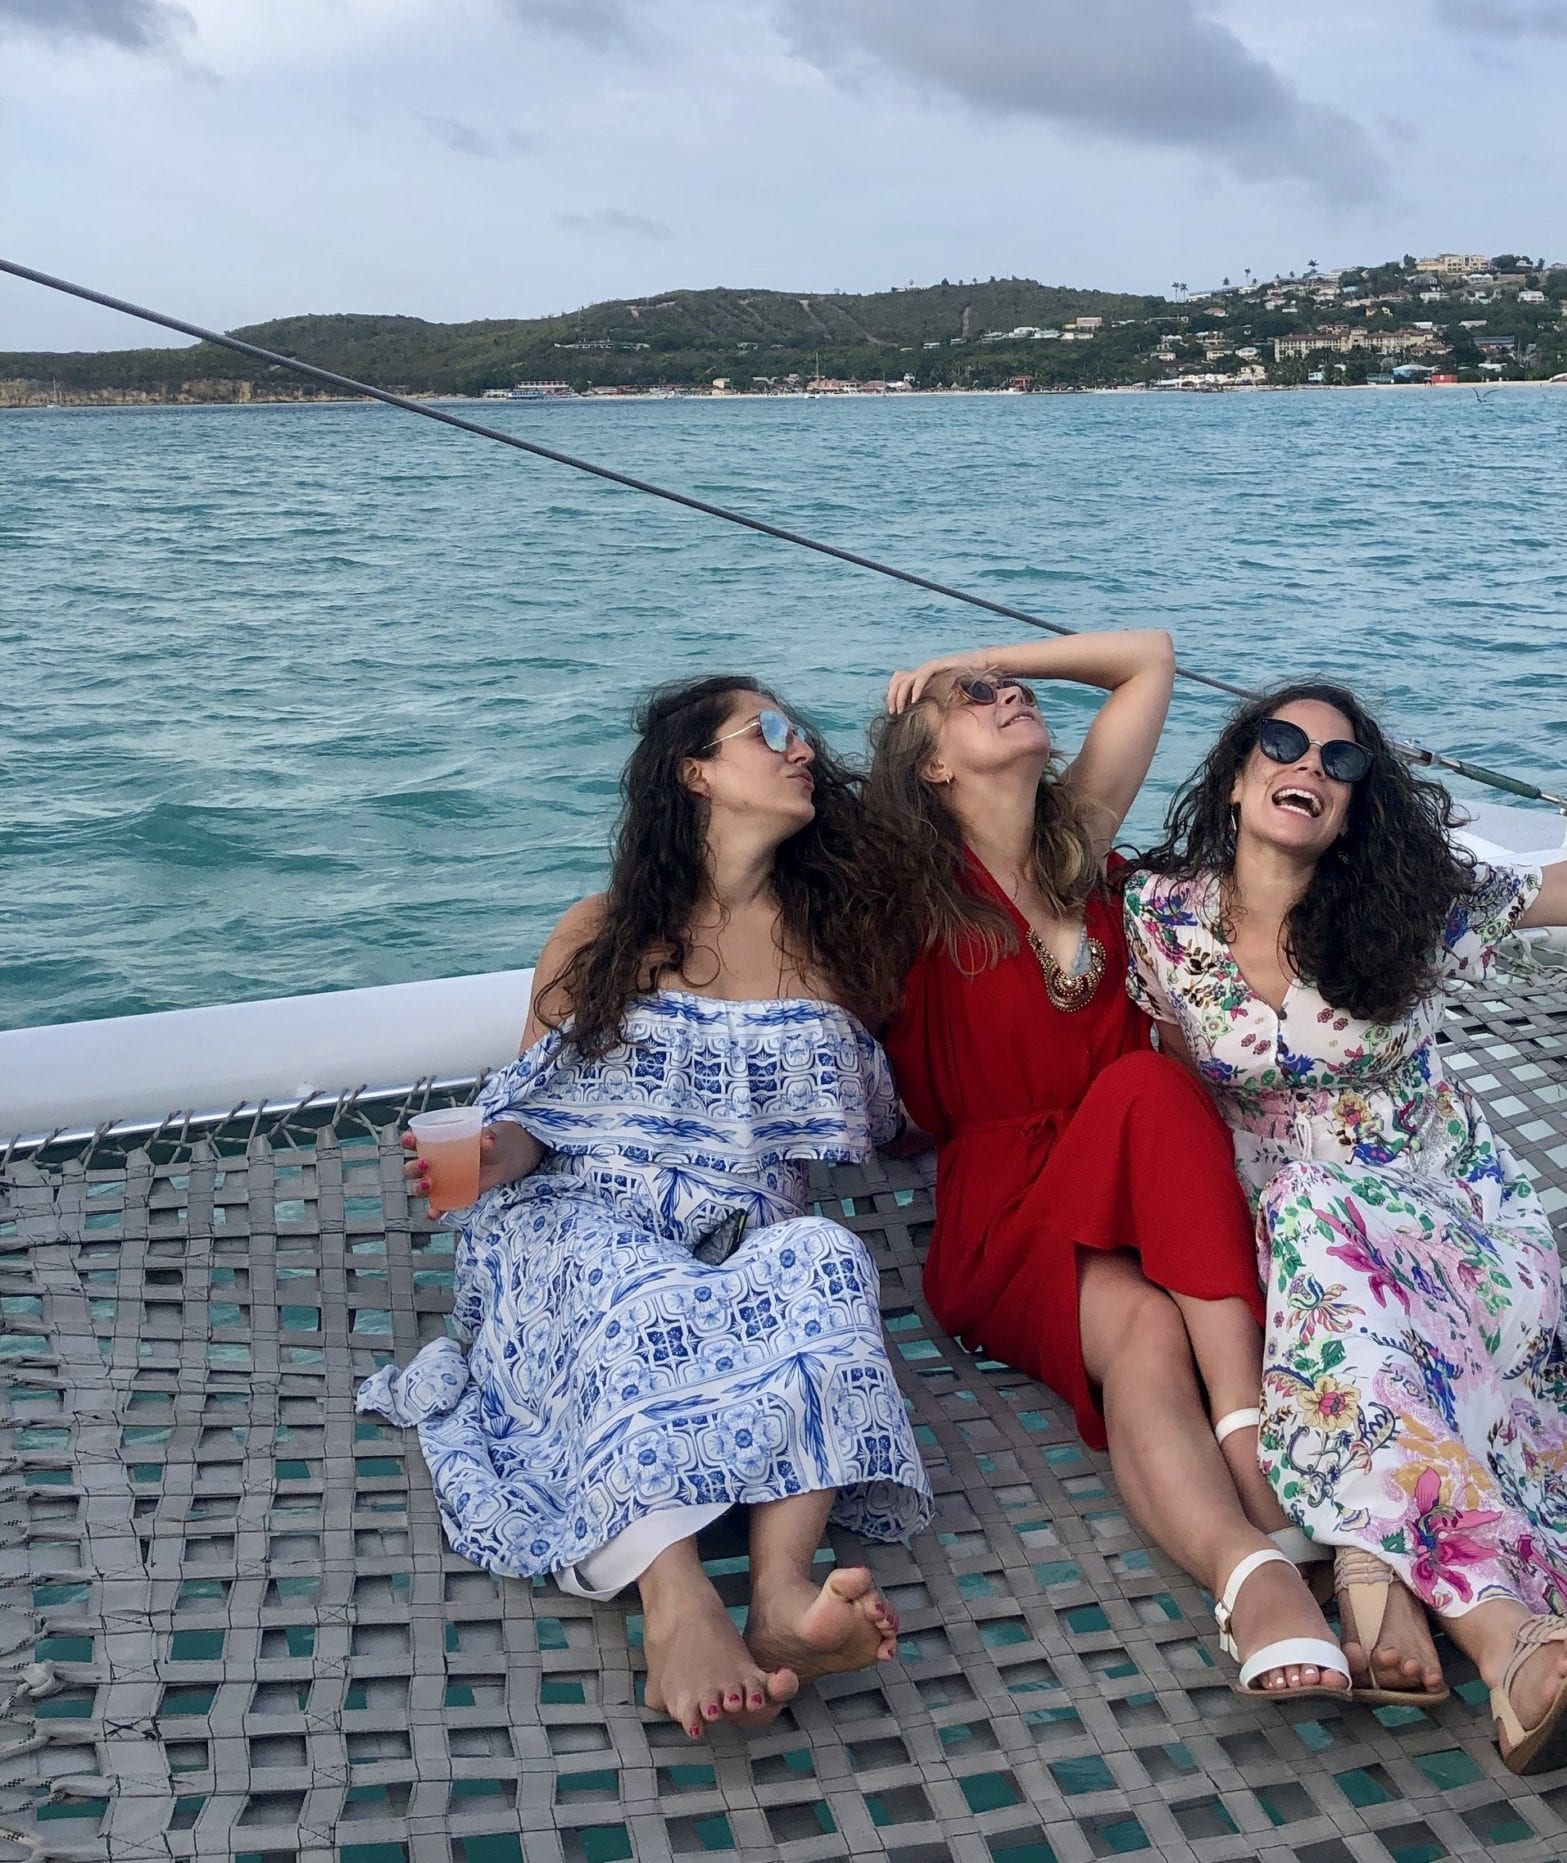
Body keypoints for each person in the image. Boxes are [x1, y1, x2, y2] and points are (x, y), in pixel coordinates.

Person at [1124, 681, 1567, 1774]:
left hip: (1460, 1234)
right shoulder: (1159, 920)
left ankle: (1388, 1587)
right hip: (1303, 1262)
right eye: (1283, 743)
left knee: (1314, 1215)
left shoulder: (1407, 911)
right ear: (1235, 774)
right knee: (1316, 1255)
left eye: (1342, 762)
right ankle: (1508, 1653)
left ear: (1357, 806)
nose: (1310, 768)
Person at [358, 676, 932, 1740]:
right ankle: (674, 1602)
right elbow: (540, 1114)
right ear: (695, 771)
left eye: (800, 734)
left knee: (823, 1257)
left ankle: (778, 1596)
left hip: (740, 1229)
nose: (797, 749)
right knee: (618, 1270)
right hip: (574, 1214)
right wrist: (490, 1153)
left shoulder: (832, 944)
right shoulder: (600, 931)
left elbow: (878, 1117)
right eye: (766, 732)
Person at [854, 632, 1379, 1703]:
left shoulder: (1078, 853)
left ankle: (1245, 1522)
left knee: (1145, 1113)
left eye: (1007, 689)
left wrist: (982, 653)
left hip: (1135, 1179)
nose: (1003, 697)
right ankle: (1253, 1550)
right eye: (970, 700)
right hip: (1002, 1218)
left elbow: (1146, 660)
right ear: (931, 767)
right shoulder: (905, 895)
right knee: (1138, 1297)